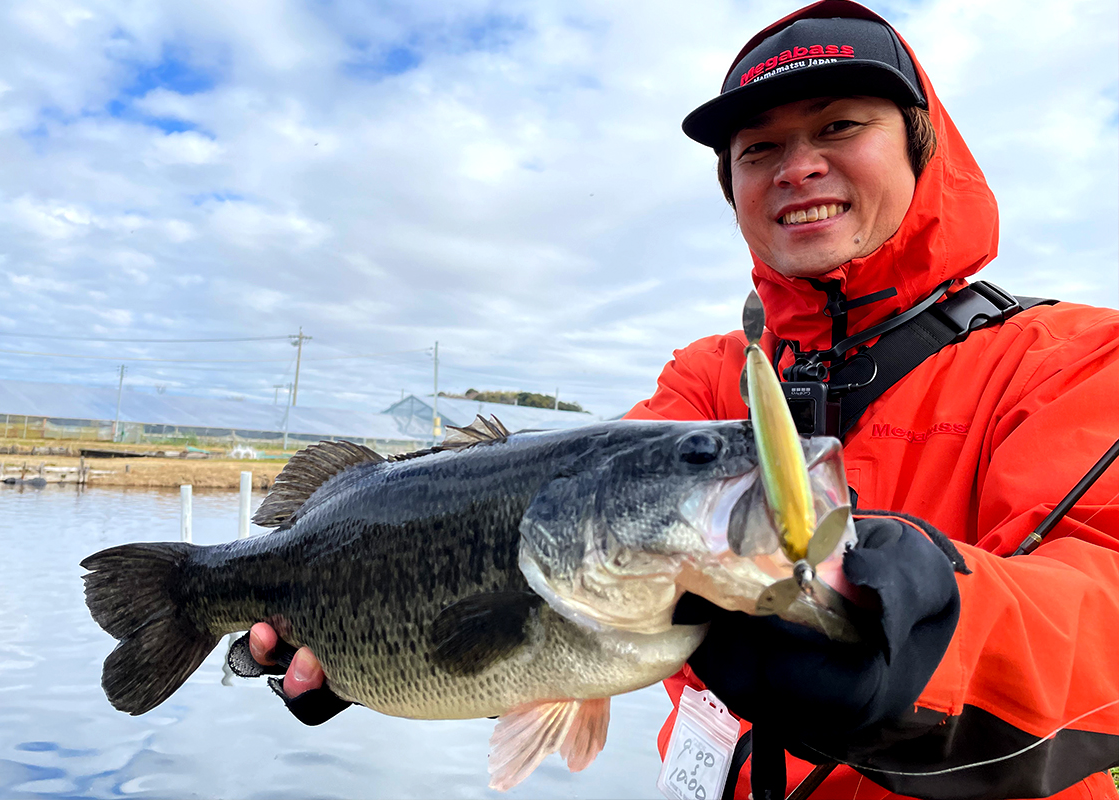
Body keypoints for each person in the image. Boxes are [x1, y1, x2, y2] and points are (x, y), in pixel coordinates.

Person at [247, 1, 1119, 796]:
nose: (798, 167)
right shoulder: (708, 379)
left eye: (840, 125)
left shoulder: (1075, 359)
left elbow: (1103, 614)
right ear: (733, 189)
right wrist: (386, 633)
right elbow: (567, 538)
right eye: (759, 150)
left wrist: (922, 623)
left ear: (922, 148)